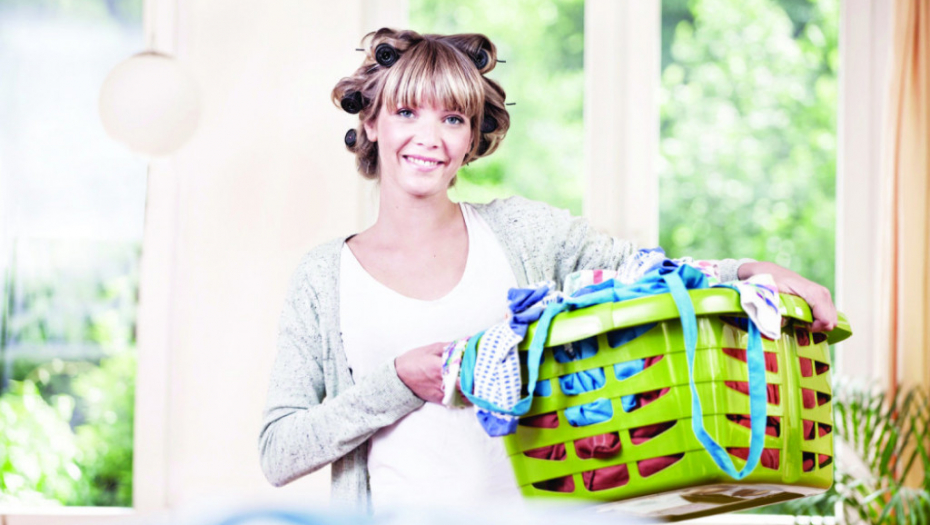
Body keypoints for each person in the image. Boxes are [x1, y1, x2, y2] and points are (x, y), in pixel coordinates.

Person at [258, 28, 838, 515]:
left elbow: (648, 273)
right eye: (407, 112)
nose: (429, 138)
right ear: (372, 122)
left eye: (453, 118)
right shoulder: (325, 277)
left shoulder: (522, 233)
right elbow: (279, 450)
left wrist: (748, 271)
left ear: (471, 138)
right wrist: (399, 384)